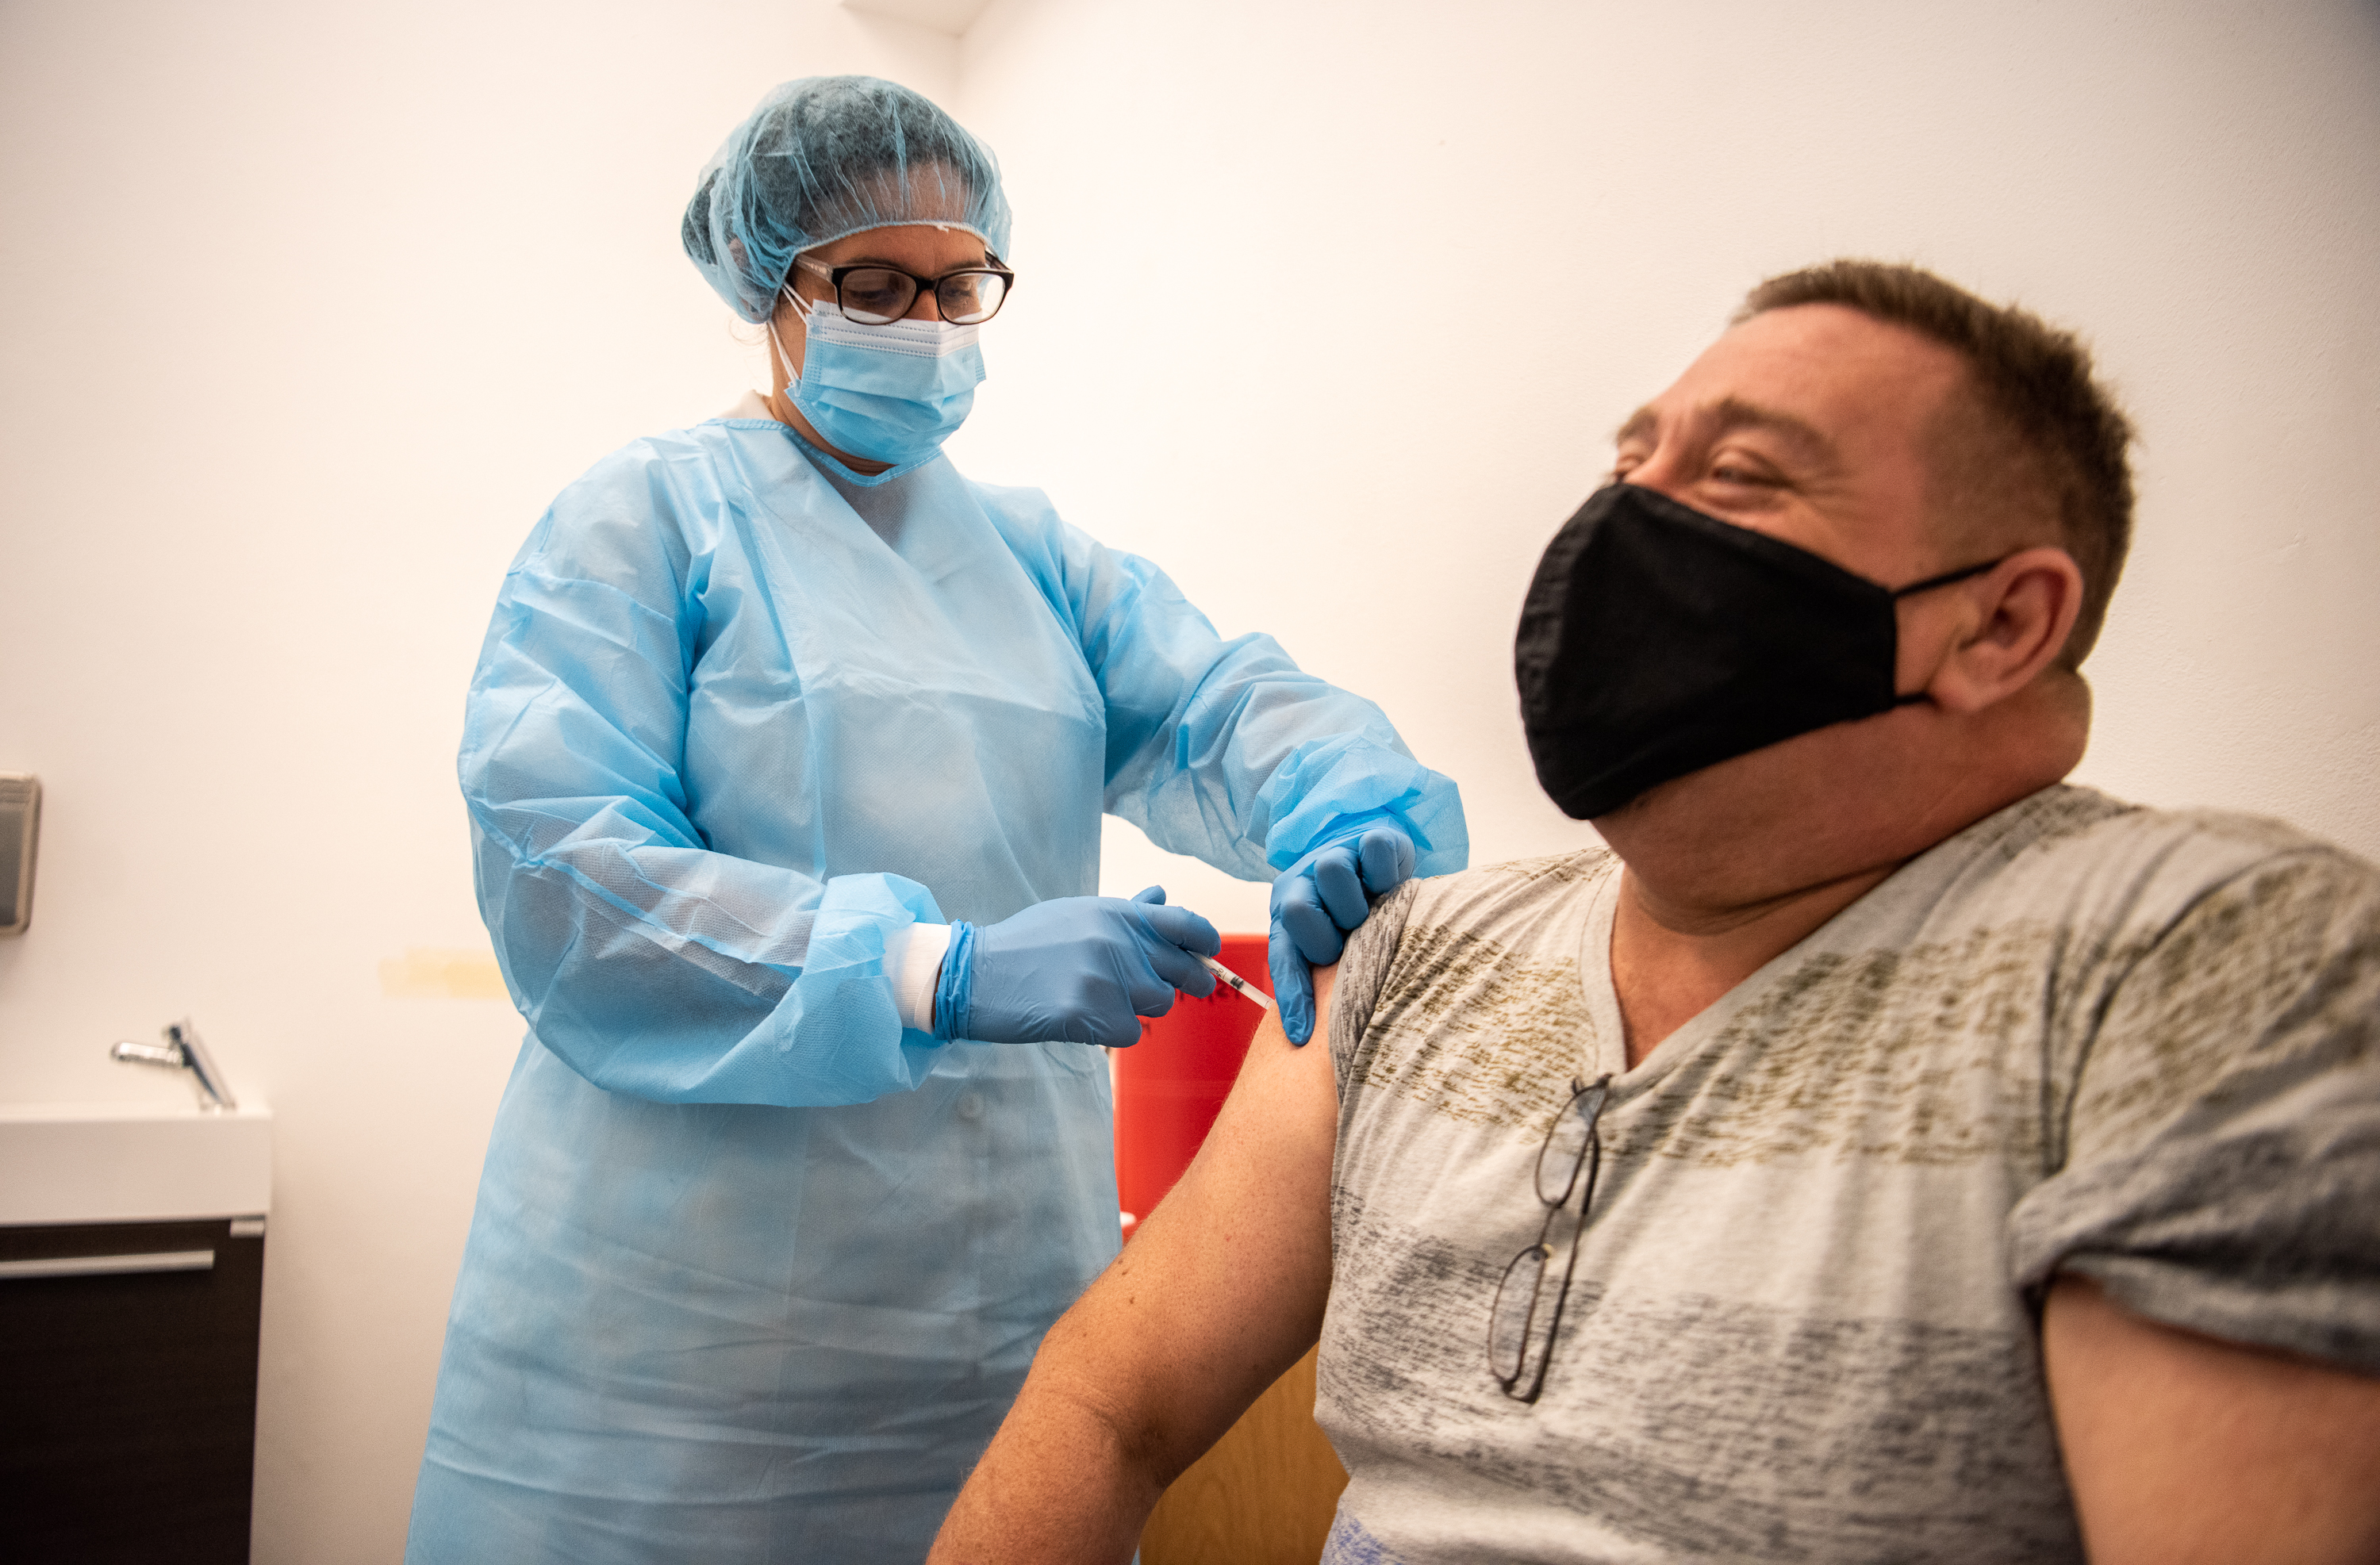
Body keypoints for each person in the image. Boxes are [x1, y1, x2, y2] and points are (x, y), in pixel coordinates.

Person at [927, 261, 2380, 1564]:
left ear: (2001, 623)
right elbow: (1107, 1400)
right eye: (1631, 463)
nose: (1625, 522)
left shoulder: (2202, 960)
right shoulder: (1414, 956)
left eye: (1738, 475)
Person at [403, 75, 1464, 1565]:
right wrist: (928, 969)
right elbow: (562, 874)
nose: (924, 324)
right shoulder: (647, 519)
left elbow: (1225, 705)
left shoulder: (1032, 557)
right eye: (875, 286)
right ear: (773, 287)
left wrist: (1348, 809)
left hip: (996, 1332)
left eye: (959, 287)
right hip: (674, 1360)